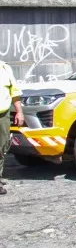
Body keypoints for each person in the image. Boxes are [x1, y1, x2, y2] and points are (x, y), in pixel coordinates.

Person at [0, 62, 23, 195]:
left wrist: (19, 111)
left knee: (2, 147)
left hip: (3, 115)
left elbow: (14, 92)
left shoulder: (4, 67)